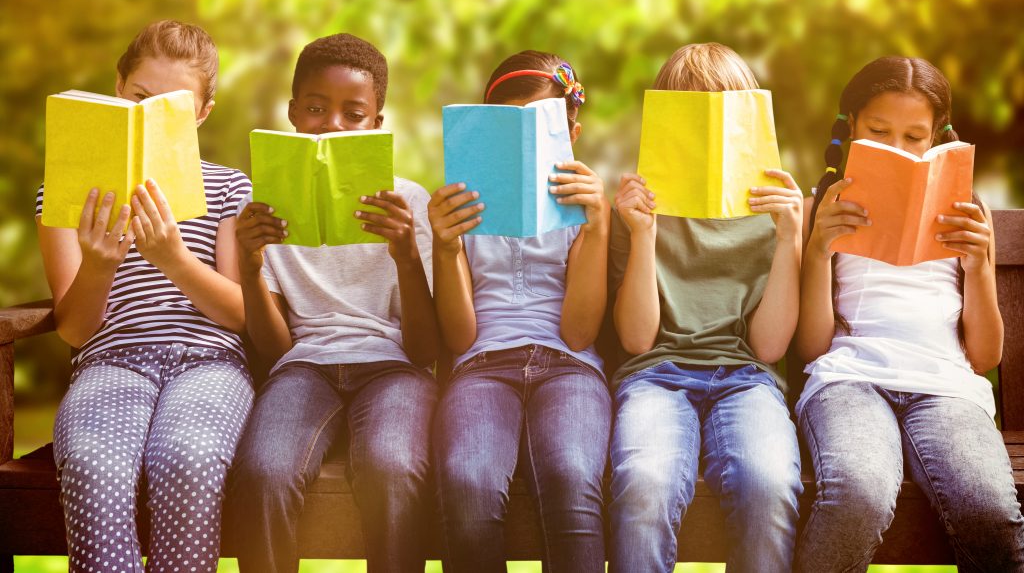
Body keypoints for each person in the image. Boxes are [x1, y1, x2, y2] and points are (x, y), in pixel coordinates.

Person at [37, 19, 253, 572]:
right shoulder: (64, 193)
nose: (150, 111)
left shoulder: (229, 187)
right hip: (111, 359)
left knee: (189, 457)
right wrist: (101, 265)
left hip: (209, 361)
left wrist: (173, 259)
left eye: (174, 106)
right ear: (118, 88)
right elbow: (74, 329)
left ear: (202, 113)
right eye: (140, 97)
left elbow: (240, 314)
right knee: (91, 462)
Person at [793, 55, 1024, 572]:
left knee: (990, 510)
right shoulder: (822, 205)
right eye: (878, 131)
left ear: (938, 138)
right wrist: (817, 252)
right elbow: (811, 347)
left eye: (913, 138)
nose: (895, 149)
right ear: (850, 126)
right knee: (858, 494)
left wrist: (979, 266)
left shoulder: (968, 211)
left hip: (945, 387)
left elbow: (984, 354)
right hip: (849, 379)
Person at [228, 32, 440, 573]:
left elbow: (423, 348)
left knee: (392, 466)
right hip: (304, 366)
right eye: (318, 110)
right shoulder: (263, 204)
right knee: (265, 470)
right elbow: (276, 349)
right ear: (294, 113)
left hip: (393, 367)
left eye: (354, 114)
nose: (333, 126)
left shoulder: (408, 201)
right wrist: (251, 267)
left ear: (377, 123)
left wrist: (405, 255)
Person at [607, 42, 803, 572]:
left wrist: (790, 240)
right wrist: (643, 235)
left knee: (770, 484)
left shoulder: (772, 210)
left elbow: (768, 347)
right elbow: (635, 340)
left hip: (746, 377)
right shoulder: (638, 206)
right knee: (644, 484)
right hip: (655, 376)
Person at [429, 51, 611, 572]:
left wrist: (597, 228)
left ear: (570, 132)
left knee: (573, 476)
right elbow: (461, 338)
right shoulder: (461, 211)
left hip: (569, 367)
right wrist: (446, 249)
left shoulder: (585, 213)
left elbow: (578, 334)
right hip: (482, 366)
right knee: (468, 482)